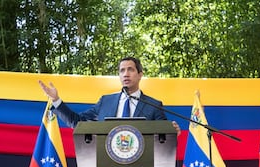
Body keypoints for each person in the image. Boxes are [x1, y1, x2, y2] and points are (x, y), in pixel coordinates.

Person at [39, 56, 180, 133]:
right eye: (122, 70)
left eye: (130, 70)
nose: (126, 74)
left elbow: (164, 136)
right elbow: (77, 123)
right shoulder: (105, 102)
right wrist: (56, 100)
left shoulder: (154, 105)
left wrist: (172, 132)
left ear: (140, 75)